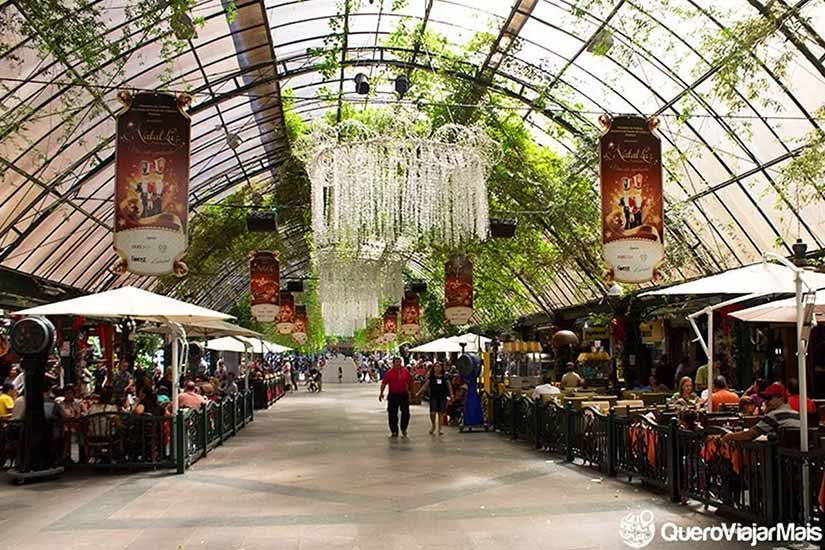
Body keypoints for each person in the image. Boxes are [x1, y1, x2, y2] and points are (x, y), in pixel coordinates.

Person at [723, 383, 799, 442]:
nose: (765, 401)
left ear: (781, 398)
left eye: (769, 398)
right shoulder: (796, 414)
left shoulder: (774, 415)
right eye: (765, 399)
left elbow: (749, 435)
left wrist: (729, 436)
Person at [415, 362, 453, 435]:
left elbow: (449, 386)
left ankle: (440, 428)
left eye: (439, 367)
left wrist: (451, 395)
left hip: (442, 396)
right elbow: (425, 386)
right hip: (433, 396)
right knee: (432, 412)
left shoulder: (445, 376)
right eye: (436, 367)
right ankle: (433, 425)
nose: (437, 368)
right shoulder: (431, 377)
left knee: (441, 413)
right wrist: (418, 393)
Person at [379, 356, 413, 438]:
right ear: (393, 364)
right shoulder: (389, 372)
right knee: (392, 413)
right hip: (393, 395)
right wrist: (381, 393)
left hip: (403, 394)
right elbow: (384, 383)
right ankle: (394, 430)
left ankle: (403, 428)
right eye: (397, 363)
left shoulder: (405, 371)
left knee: (406, 412)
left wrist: (412, 392)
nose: (399, 364)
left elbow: (410, 382)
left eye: (400, 362)